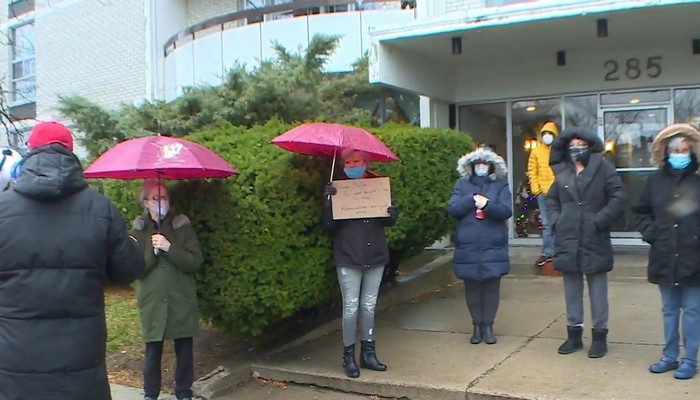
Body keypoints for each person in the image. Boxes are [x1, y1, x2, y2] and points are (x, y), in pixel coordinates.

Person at [0, 121, 145, 400]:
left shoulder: (2, 211)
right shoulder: (101, 209)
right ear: (70, 151)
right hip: (80, 364)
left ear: (31, 150)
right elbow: (129, 270)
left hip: (16, 363)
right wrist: (134, 243)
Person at [547, 127, 626, 358]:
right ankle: (574, 336)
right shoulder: (563, 174)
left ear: (590, 147)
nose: (576, 149)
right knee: (572, 291)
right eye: (572, 145)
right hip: (568, 239)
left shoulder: (604, 169)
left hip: (595, 238)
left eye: (581, 145)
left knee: (598, 292)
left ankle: (600, 337)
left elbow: (619, 197)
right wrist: (556, 222)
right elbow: (551, 201)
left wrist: (598, 220)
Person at [322, 149, 399, 379]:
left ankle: (368, 352)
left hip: (374, 254)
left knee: (368, 306)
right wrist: (328, 201)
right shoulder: (338, 188)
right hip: (348, 256)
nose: (352, 165)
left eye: (356, 161)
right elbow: (327, 226)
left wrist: (392, 213)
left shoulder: (377, 186)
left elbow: (386, 221)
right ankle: (348, 355)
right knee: (351, 307)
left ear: (365, 163)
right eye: (348, 161)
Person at [633, 123, 700, 380]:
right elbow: (640, 212)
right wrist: (653, 234)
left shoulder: (697, 181)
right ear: (667, 152)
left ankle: (690, 361)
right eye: (676, 149)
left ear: (691, 152)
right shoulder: (655, 180)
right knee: (669, 310)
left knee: (693, 311)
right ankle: (669, 357)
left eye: (684, 149)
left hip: (694, 257)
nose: (680, 153)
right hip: (664, 255)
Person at [130, 180, 204, 400]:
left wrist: (169, 248)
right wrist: (154, 251)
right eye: (155, 198)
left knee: (184, 347)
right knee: (153, 349)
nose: (161, 203)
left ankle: (184, 392)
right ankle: (150, 393)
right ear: (145, 202)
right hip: (152, 300)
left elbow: (194, 262)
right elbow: (136, 269)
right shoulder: (138, 230)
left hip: (179, 297)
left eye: (164, 198)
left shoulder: (182, 227)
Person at [447, 146, 512, 345]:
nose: (481, 167)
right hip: (468, 246)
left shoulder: (500, 184)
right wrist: (470, 200)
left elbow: (506, 210)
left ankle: (489, 326)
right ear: (471, 166)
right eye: (477, 164)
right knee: (472, 289)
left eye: (485, 164)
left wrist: (487, 205)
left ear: (492, 165)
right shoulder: (462, 184)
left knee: (491, 288)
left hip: (493, 245)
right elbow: (452, 208)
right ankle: (477, 326)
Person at [527, 121, 559, 266]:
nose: (547, 136)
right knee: (546, 224)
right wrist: (536, 189)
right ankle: (547, 253)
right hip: (543, 193)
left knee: (559, 222)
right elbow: (532, 171)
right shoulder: (536, 152)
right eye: (544, 134)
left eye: (550, 134)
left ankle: (559, 252)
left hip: (558, 193)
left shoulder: (559, 151)